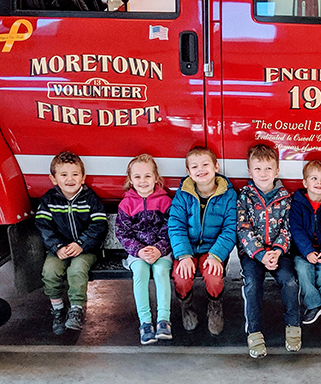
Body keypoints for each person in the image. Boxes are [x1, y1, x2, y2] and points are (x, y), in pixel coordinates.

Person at [237, 144, 301, 356]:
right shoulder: (245, 197)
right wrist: (261, 254)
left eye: (268, 169)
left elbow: (288, 228)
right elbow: (243, 229)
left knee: (290, 281)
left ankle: (293, 327)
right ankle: (254, 333)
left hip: (278, 253)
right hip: (253, 255)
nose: (263, 174)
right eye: (257, 169)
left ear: (277, 171)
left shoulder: (284, 197)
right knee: (252, 285)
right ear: (249, 172)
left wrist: (276, 250)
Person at [36, 151, 107, 334]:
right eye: (63, 174)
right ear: (53, 179)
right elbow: (43, 225)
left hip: (85, 249)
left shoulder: (90, 199)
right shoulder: (48, 200)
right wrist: (57, 247)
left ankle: (76, 309)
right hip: (57, 249)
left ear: (83, 178)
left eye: (75, 174)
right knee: (50, 271)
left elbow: (99, 225)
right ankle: (58, 309)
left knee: (77, 270)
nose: (70, 179)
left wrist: (81, 243)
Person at [169, 146, 237, 336]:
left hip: (213, 250)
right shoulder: (183, 195)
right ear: (188, 172)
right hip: (187, 249)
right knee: (181, 278)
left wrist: (216, 255)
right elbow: (176, 226)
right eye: (195, 166)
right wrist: (183, 255)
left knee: (214, 277)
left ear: (216, 166)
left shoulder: (228, 195)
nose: (201, 169)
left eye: (206, 164)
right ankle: (186, 305)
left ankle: (215, 306)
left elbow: (230, 229)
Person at [116, 154, 173, 344]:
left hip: (161, 250)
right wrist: (139, 251)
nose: (143, 181)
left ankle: (164, 320)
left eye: (147, 176)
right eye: (138, 177)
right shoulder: (126, 204)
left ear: (156, 178)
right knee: (139, 271)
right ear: (130, 180)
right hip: (137, 253)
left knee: (160, 270)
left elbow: (171, 229)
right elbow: (122, 233)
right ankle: (145, 322)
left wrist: (159, 248)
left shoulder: (165, 201)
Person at [290, 160, 321, 326]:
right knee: (303, 270)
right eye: (314, 178)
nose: (319, 183)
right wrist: (307, 251)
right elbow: (296, 230)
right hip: (303, 252)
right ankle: (315, 304)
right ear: (305, 182)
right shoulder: (297, 204)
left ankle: (313, 303)